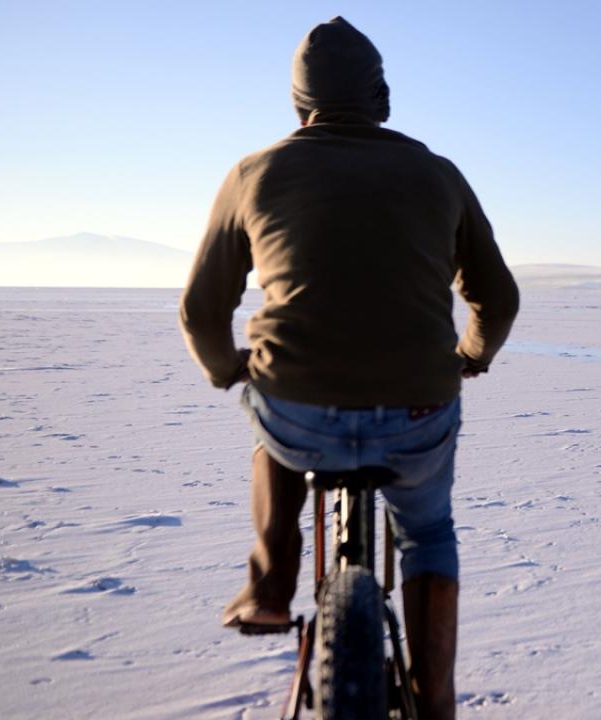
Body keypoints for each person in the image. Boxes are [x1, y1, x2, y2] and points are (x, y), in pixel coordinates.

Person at [179, 17, 518, 719]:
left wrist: (227, 370)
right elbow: (499, 298)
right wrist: (469, 360)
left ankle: (271, 588)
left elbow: (200, 311)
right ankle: (437, 701)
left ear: (300, 107)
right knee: (427, 533)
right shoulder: (437, 173)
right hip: (419, 407)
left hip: (298, 410)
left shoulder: (254, 172)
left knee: (266, 415)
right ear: (381, 99)